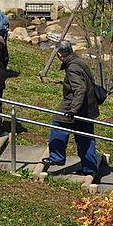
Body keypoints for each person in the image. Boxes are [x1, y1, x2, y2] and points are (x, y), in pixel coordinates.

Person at [43, 40, 101, 176]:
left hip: (76, 107)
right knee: (85, 138)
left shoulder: (72, 67)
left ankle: (56, 158)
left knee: (58, 126)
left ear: (59, 55)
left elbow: (80, 89)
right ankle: (89, 168)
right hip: (88, 108)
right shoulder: (78, 61)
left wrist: (73, 110)